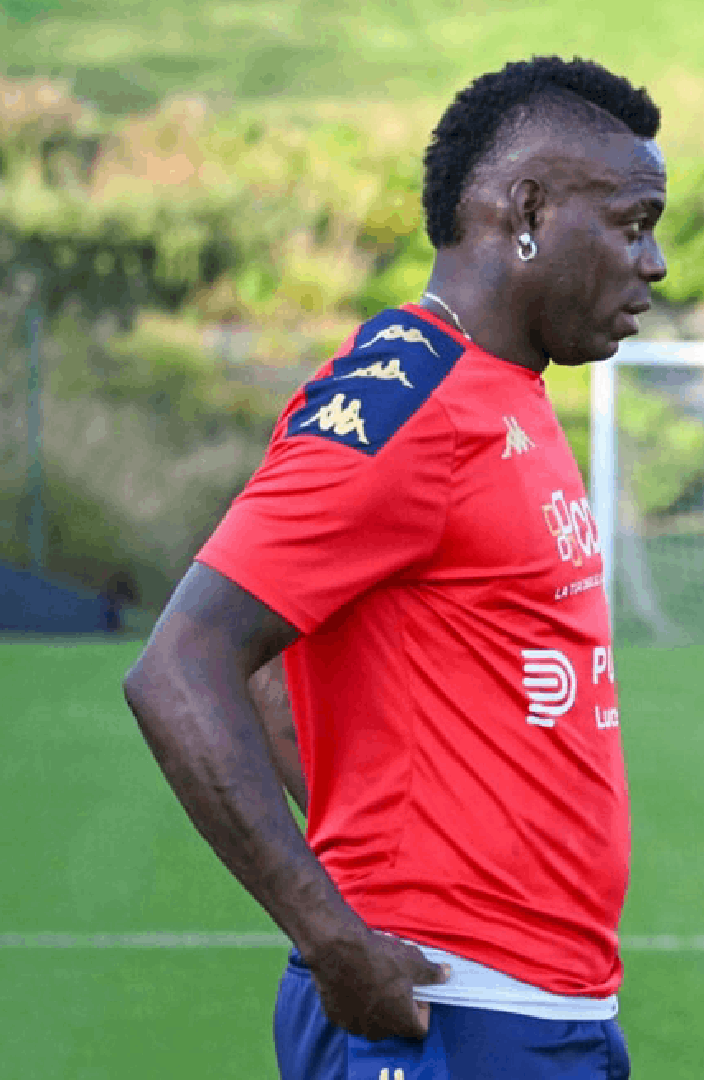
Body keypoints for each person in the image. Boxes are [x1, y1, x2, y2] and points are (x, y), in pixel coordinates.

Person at [122, 55, 668, 1078]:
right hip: (446, 1013)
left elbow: (274, 669)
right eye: (632, 224)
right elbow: (183, 663)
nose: (656, 263)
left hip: (543, 1005)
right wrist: (333, 934)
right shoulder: (410, 402)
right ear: (528, 211)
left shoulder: (504, 390)